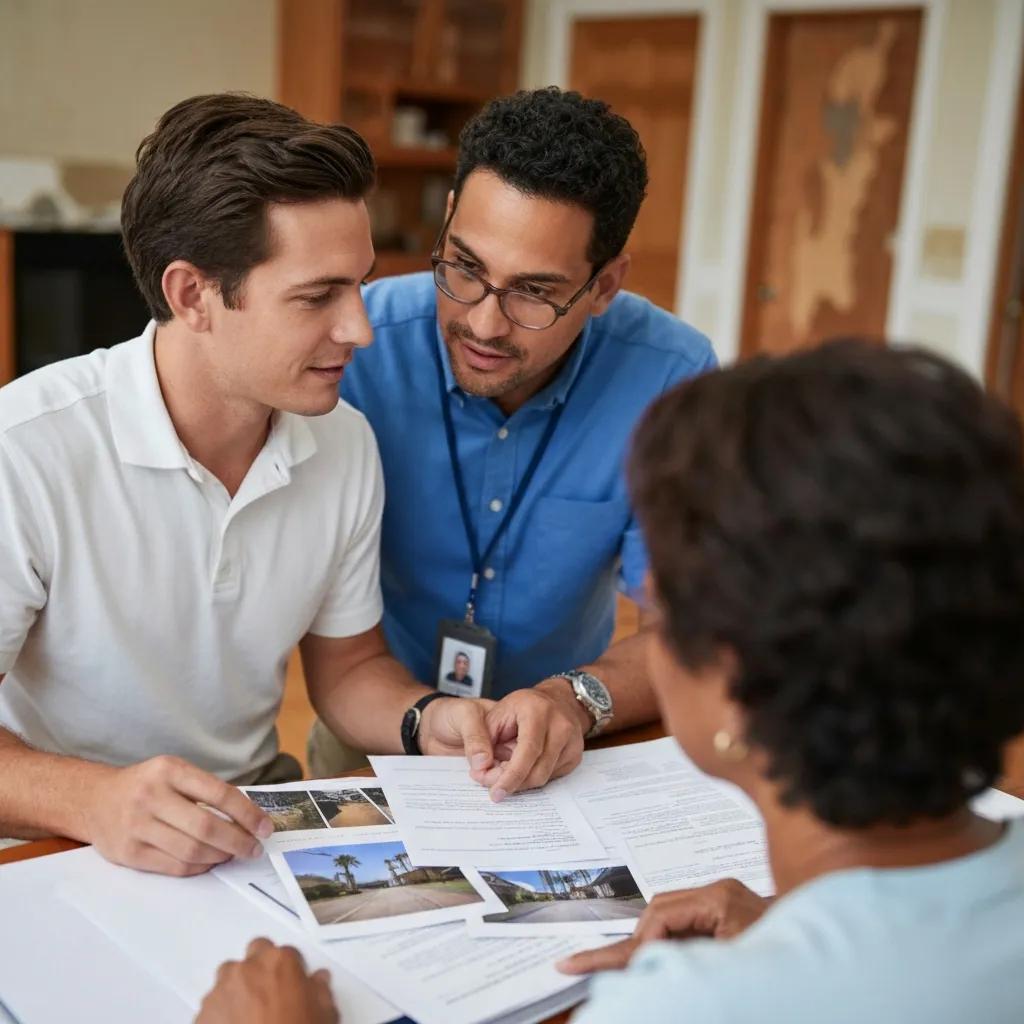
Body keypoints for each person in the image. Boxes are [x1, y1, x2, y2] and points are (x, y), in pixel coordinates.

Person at [199, 339, 1024, 1023]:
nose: (642, 614)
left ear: (735, 687)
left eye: (658, 604)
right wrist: (790, 927)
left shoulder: (689, 1008)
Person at [0, 94, 597, 876]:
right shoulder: (26, 451)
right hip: (55, 846)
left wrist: (434, 719)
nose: (361, 329)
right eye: (318, 298)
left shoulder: (343, 442)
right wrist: (96, 801)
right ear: (192, 296)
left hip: (253, 825)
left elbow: (348, 671)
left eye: (359, 285)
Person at [308, 87, 717, 789]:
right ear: (446, 222)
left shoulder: (672, 378)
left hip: (576, 744)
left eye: (533, 291)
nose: (485, 325)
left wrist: (573, 700)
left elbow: (692, 630)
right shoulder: (357, 350)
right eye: (464, 267)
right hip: (378, 732)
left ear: (605, 283)